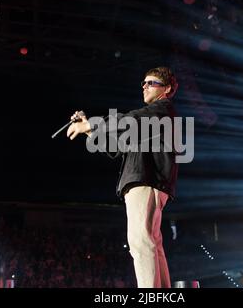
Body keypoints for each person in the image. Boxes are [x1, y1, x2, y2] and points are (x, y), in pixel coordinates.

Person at [66, 67, 179, 288]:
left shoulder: (162, 109)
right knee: (151, 243)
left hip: (146, 181)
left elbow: (130, 119)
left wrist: (91, 124)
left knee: (141, 242)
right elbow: (116, 147)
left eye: (151, 82)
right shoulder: (151, 121)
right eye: (143, 83)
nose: (144, 86)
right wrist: (89, 130)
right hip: (147, 182)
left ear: (166, 89)